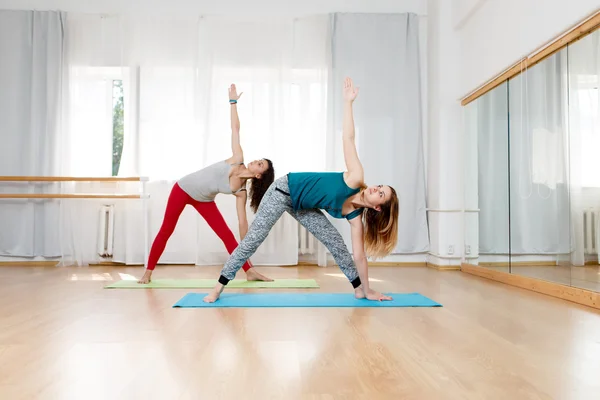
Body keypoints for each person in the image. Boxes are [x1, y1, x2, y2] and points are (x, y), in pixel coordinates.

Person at [203, 77, 399, 302]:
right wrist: (348, 103)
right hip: (283, 191)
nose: (376, 188)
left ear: (377, 207)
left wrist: (368, 289)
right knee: (254, 239)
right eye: (380, 186)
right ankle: (218, 287)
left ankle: (358, 288)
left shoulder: (355, 218)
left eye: (380, 194)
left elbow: (360, 256)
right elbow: (348, 138)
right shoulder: (356, 178)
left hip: (303, 206)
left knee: (334, 241)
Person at [138, 84, 275, 284]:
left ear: (258, 176)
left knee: (226, 235)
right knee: (166, 229)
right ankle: (148, 273)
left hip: (203, 199)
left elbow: (242, 222)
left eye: (260, 164)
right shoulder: (237, 158)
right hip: (183, 189)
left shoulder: (241, 192)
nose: (255, 161)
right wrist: (233, 102)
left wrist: (247, 245)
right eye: (258, 160)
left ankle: (250, 271)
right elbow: (235, 128)